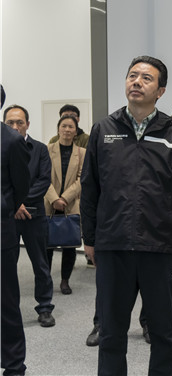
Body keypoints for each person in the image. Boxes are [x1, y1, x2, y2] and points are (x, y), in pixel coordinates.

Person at [80, 55, 172, 375]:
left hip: (159, 247)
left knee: (163, 333)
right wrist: (90, 238)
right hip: (113, 246)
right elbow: (90, 188)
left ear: (160, 91)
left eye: (146, 78)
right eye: (132, 75)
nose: (136, 82)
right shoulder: (104, 130)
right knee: (111, 333)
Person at [4, 105, 55, 327]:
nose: (15, 127)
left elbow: (44, 180)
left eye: (20, 122)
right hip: (7, 216)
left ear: (28, 124)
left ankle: (45, 308)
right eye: (10, 123)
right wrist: (14, 204)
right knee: (6, 265)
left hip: (34, 215)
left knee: (40, 263)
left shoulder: (40, 149)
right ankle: (7, 309)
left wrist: (20, 201)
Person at [1, 90, 31, 376]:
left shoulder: (11, 140)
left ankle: (13, 366)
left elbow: (21, 186)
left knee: (6, 303)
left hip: (1, 235)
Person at [44, 115, 85, 295]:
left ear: (76, 131)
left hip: (71, 203)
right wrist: (54, 199)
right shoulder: (47, 150)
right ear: (58, 128)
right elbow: (42, 176)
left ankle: (65, 281)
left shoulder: (82, 152)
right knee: (47, 246)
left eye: (71, 127)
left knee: (69, 246)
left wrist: (65, 198)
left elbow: (82, 178)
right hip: (49, 203)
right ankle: (46, 280)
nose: (67, 129)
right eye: (64, 126)